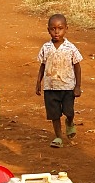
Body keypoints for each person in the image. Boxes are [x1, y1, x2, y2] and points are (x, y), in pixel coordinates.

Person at [35, 14, 83, 148]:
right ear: (48, 30)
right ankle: (58, 137)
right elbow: (43, 65)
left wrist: (78, 86)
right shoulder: (46, 48)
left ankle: (70, 122)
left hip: (67, 87)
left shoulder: (71, 48)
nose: (56, 32)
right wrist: (38, 82)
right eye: (53, 29)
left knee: (69, 111)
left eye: (60, 28)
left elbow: (77, 67)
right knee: (54, 115)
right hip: (50, 87)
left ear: (66, 29)